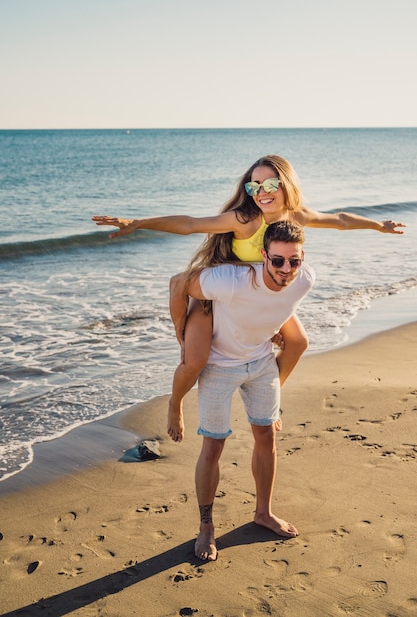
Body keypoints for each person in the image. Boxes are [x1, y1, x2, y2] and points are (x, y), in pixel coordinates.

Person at [92, 155, 406, 442]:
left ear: (286, 185)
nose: (261, 191)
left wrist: (379, 226)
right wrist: (139, 223)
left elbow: (340, 219)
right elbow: (189, 224)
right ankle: (176, 403)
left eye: (270, 183)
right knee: (194, 360)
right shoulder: (244, 219)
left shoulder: (297, 217)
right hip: (219, 297)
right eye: (253, 185)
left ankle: (270, 397)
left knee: (298, 343)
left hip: (262, 300)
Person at [170, 220, 315, 560]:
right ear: (263, 255)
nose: (285, 269)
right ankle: (206, 527)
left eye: (293, 261)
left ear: (302, 258)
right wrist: (180, 330)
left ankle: (262, 513)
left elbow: (277, 308)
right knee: (214, 445)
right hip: (219, 366)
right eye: (277, 260)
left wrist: (275, 330)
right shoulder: (231, 281)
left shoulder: (304, 279)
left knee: (266, 435)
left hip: (262, 363)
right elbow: (178, 283)